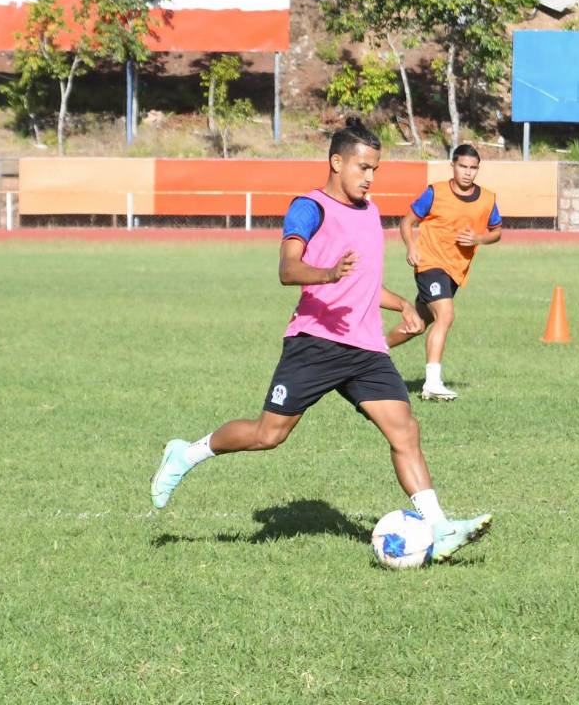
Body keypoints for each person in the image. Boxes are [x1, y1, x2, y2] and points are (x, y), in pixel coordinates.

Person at [149, 118, 492, 562]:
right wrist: (326, 273)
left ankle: (440, 527)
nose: (369, 179)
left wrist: (401, 305)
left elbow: (363, 281)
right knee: (269, 434)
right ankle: (186, 454)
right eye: (362, 168)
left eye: (375, 170)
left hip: (365, 348)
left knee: (405, 429)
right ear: (336, 162)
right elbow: (288, 269)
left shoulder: (369, 213)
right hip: (315, 341)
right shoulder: (309, 208)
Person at [384, 144, 502, 400]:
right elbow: (407, 221)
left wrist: (479, 238)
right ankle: (432, 384)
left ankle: (375, 350)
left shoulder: (488, 198)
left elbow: (497, 231)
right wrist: (411, 246)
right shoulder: (434, 193)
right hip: (430, 263)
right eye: (463, 167)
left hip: (454, 271)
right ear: (453, 166)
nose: (468, 173)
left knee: (417, 324)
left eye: (473, 168)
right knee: (445, 316)